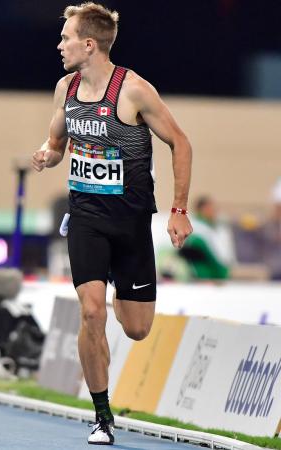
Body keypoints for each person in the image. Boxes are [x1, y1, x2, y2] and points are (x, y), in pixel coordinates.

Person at [31, 3, 193, 445]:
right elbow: (56, 142)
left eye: (66, 37)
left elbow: (180, 143)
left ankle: (123, 297)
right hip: (85, 219)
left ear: (89, 44)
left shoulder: (134, 90)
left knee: (137, 328)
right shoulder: (65, 88)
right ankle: (102, 417)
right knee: (90, 311)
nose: (59, 44)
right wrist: (47, 155)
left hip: (131, 223)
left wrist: (179, 209)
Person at [179, 196, 233, 280]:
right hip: (206, 279)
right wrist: (203, 277)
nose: (214, 211)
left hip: (220, 276)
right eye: (210, 208)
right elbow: (194, 259)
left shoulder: (217, 228)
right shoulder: (196, 230)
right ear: (202, 210)